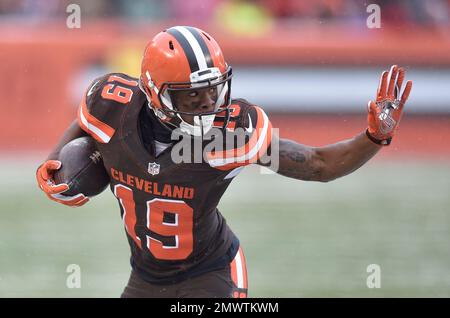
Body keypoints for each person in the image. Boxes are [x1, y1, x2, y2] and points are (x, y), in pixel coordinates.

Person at [36, 26, 412, 298]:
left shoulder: (229, 133)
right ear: (154, 93)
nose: (206, 103)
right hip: (146, 277)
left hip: (211, 272)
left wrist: (374, 137)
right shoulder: (111, 103)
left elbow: (317, 165)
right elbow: (86, 123)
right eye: (192, 95)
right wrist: (54, 164)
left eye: (212, 90)